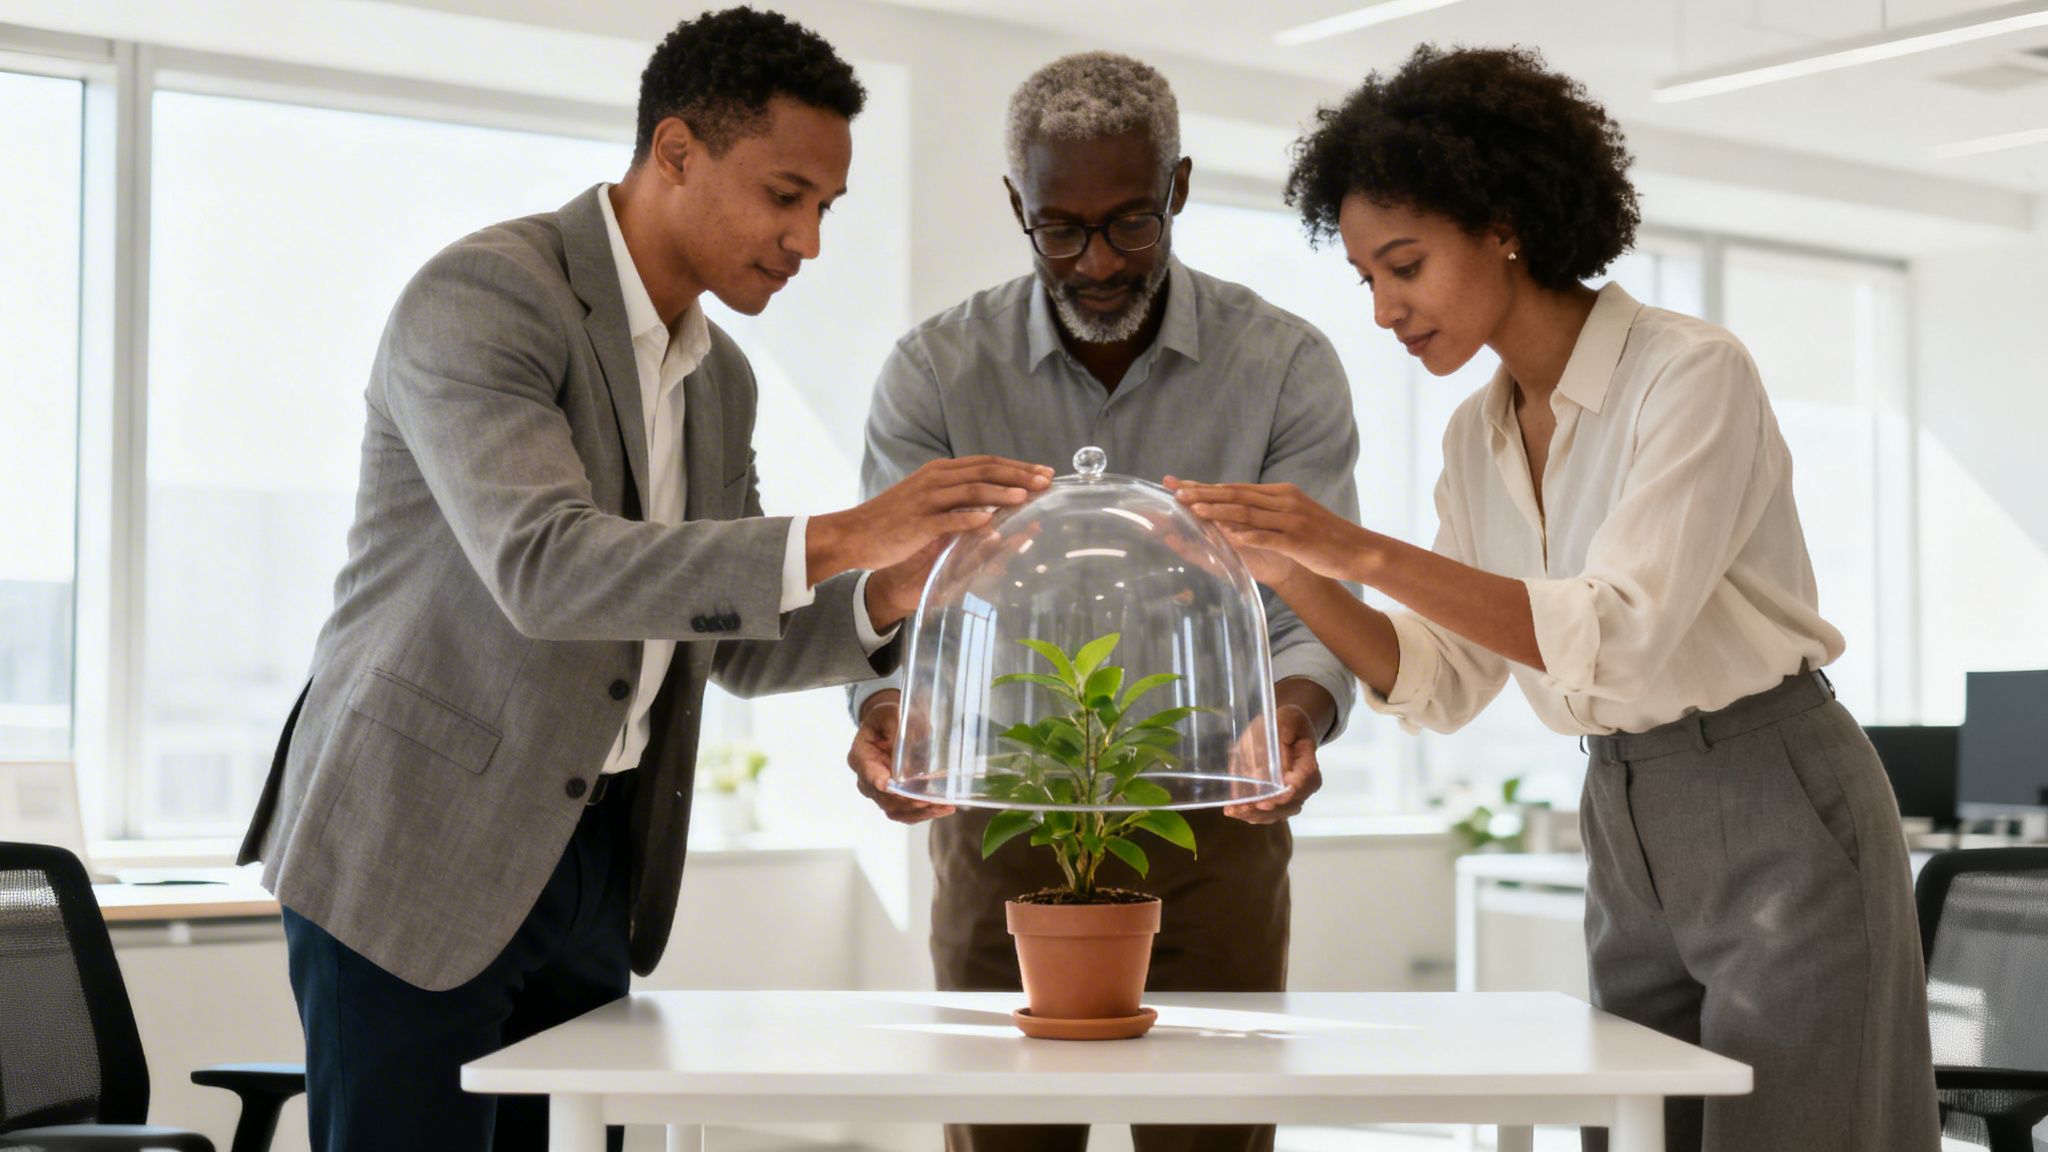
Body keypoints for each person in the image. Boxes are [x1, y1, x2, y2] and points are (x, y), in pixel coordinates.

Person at [236, 9, 1050, 1151]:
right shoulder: (485, 298)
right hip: (416, 848)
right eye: (785, 194)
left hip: (593, 863)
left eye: (825, 207)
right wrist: (845, 533)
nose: (808, 240)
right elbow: (546, 568)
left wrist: (894, 585)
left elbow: (730, 634)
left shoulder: (720, 381)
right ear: (675, 153)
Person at [1170, 45, 1939, 1152]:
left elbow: (1616, 636)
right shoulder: (1472, 439)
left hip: (1773, 794)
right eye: (1365, 280)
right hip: (1622, 812)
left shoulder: (1688, 372)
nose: (1385, 307)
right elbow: (1435, 681)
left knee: (1795, 1134)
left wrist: (1352, 547)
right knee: (1630, 1130)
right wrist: (1293, 570)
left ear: (1502, 224)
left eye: (1405, 264)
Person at [845, 51, 1360, 1152]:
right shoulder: (936, 371)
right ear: (1015, 208)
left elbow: (1314, 601)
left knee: (1215, 1137)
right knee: (1003, 1140)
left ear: (1176, 188)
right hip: (1002, 827)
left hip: (1217, 822)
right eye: (1059, 228)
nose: (1093, 263)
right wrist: (887, 711)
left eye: (1129, 223)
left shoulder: (1280, 366)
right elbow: (890, 599)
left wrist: (1298, 715)